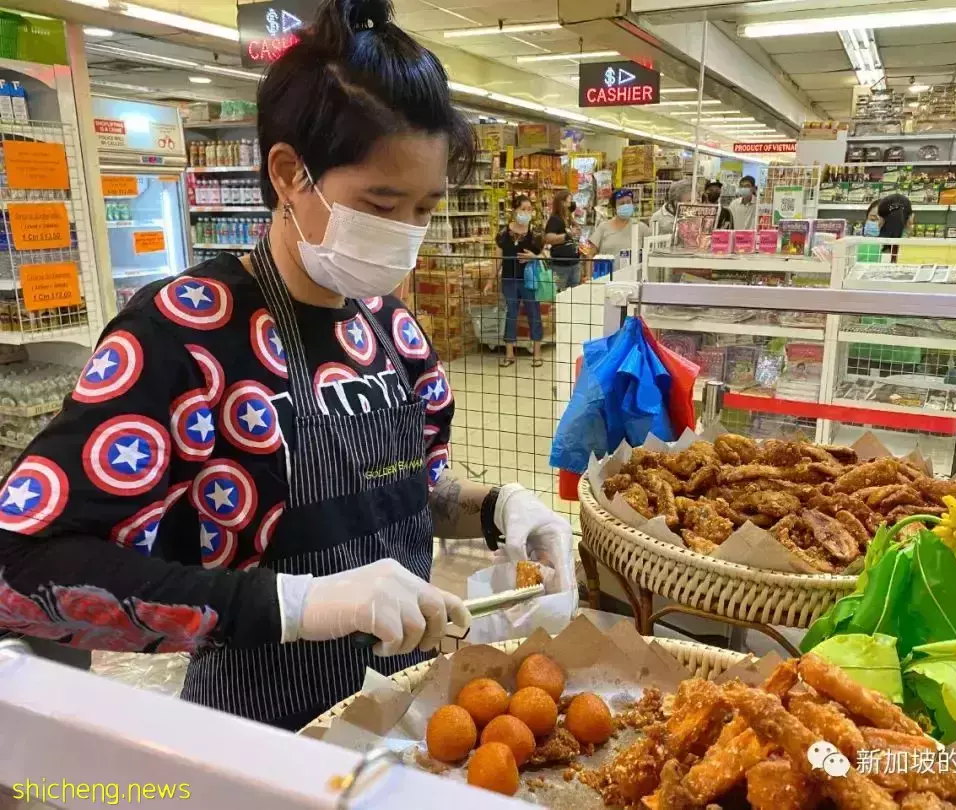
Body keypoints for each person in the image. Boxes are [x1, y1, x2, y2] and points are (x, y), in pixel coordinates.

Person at [0, 0, 575, 732]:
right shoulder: (184, 333)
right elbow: (22, 571)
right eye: (380, 202)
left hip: (409, 719)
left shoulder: (391, 328)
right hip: (260, 732)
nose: (404, 236)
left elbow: (396, 494)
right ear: (288, 174)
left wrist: (493, 509)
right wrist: (298, 605)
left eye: (425, 209)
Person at [498, 194, 544, 368]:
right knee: (511, 314)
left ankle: (537, 353)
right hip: (509, 279)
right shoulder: (503, 234)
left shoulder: (536, 233)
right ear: (514, 211)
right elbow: (498, 258)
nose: (526, 213)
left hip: (529, 281)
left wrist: (535, 256)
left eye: (529, 209)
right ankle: (509, 353)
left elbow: (546, 255)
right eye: (523, 209)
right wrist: (490, 280)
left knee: (534, 313)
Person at [587, 188, 642, 259]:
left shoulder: (640, 227)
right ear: (614, 208)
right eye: (621, 203)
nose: (626, 205)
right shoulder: (603, 227)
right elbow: (590, 254)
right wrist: (590, 270)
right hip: (607, 269)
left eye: (628, 202)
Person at [544, 190, 581, 291]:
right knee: (559, 296)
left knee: (575, 296)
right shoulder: (555, 219)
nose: (571, 204)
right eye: (569, 201)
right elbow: (548, 238)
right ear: (562, 202)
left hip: (574, 264)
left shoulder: (568, 218)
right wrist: (568, 235)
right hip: (561, 266)